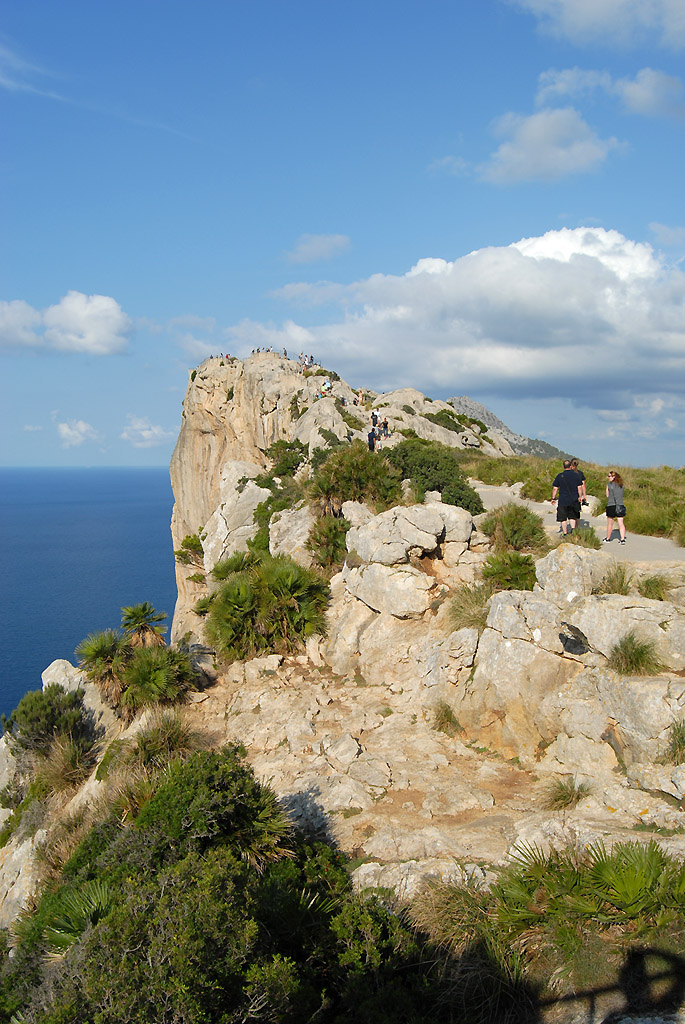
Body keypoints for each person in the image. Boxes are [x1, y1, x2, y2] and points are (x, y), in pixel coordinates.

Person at [551, 459, 583, 536]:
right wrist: (580, 496)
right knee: (572, 516)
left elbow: (555, 488)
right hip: (573, 499)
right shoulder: (576, 475)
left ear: (563, 466)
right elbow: (579, 487)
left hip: (563, 500)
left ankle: (565, 533)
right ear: (571, 466)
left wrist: (553, 498)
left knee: (563, 518)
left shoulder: (560, 476)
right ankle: (573, 531)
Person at [604, 470, 627, 544]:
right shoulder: (622, 485)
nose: (608, 478)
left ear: (613, 477)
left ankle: (608, 538)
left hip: (611, 505)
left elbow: (607, 495)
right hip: (620, 505)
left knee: (610, 523)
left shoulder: (609, 485)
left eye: (609, 476)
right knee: (621, 523)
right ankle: (622, 539)